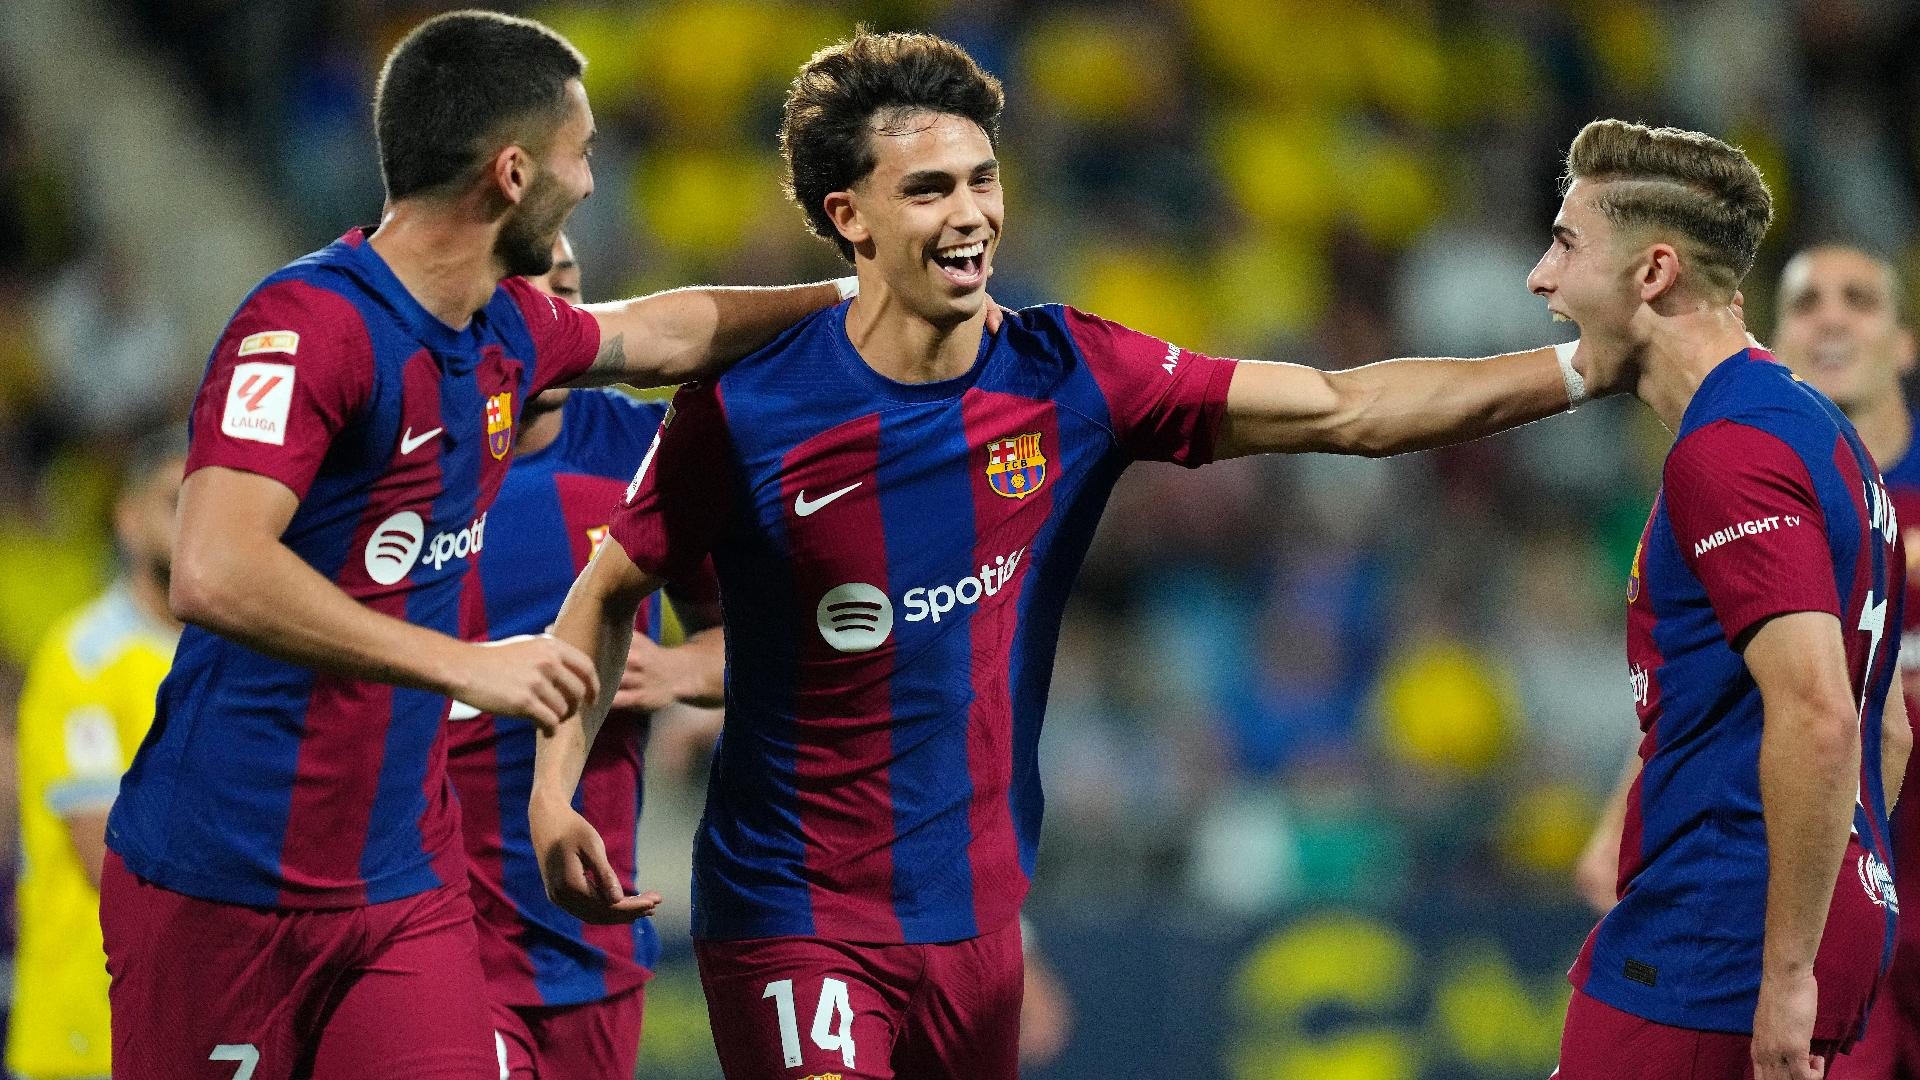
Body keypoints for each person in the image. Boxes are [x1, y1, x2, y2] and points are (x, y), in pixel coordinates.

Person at [529, 30, 1621, 1080]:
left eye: (981, 180)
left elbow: (1347, 408)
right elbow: (609, 585)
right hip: (792, 915)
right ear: (847, 216)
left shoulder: (1071, 375)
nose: (970, 215)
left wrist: (1582, 367)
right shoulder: (748, 412)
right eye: (929, 190)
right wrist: (554, 793)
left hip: (980, 925)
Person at [100, 11, 848, 1077]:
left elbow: (664, 331)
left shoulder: (504, 331)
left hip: (401, 888)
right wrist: (463, 664)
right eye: (579, 153)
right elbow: (215, 568)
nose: (591, 182)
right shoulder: (310, 325)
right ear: (511, 173)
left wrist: (857, 296)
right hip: (225, 877)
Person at [1527, 123, 1909, 1080]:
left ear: (1652, 274)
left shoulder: (1728, 451)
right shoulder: (1825, 435)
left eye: (1568, 243)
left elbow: (1823, 714)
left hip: (1710, 944)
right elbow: (1887, 727)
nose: (1543, 278)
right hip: (1802, 916)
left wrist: (1784, 972)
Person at [448, 233, 725, 1079]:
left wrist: (679, 673)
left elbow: (758, 637)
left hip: (593, 935)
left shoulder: (650, 452)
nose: (559, 315)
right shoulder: (414, 463)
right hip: (438, 922)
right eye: (532, 292)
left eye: (570, 289)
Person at [1782, 245, 1920, 1080]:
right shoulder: (1740, 491)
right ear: (1773, 342)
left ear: (1905, 342)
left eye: (1858, 299)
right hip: (1829, 915)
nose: (1831, 317)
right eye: (1807, 303)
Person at [9, 432, 183, 1080]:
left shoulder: (228, 658)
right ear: (128, 518)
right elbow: (105, 857)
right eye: (174, 501)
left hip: (187, 1023)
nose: (194, 521)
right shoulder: (80, 659)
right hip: (81, 1034)